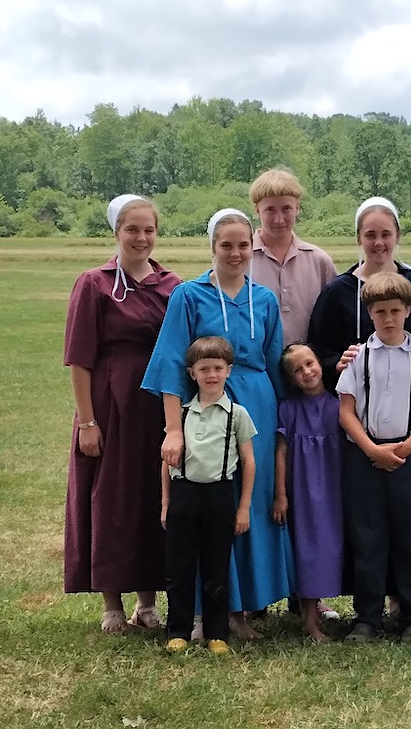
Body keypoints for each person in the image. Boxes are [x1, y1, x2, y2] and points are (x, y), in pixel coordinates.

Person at [142, 208, 293, 639]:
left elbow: (272, 361)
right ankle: (202, 612)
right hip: (206, 408)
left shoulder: (262, 299)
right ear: (212, 247)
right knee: (208, 503)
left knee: (247, 500)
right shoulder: (188, 296)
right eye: (226, 245)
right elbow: (171, 362)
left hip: (256, 407)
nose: (235, 253)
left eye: (243, 244)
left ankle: (241, 609)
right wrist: (174, 429)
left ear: (253, 247)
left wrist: (280, 422)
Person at [63, 194, 181, 634]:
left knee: (154, 495)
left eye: (149, 229)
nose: (141, 237)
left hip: (156, 407)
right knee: (110, 497)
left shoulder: (172, 285)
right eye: (132, 229)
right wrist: (87, 421)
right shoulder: (93, 283)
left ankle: (148, 602)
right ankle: (112, 603)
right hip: (110, 405)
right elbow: (79, 358)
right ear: (117, 232)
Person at [337, 272, 411, 643]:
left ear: (408, 311)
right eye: (379, 311)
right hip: (366, 456)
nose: (388, 318)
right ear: (369, 313)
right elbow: (346, 410)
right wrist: (370, 448)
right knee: (368, 537)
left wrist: (409, 446)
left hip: (408, 454)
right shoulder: (358, 357)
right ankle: (368, 618)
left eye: (395, 311)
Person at [161, 337, 256, 655]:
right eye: (204, 369)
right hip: (185, 495)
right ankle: (178, 630)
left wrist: (243, 507)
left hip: (220, 495)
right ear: (192, 373)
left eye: (218, 368)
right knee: (180, 568)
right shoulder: (182, 415)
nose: (211, 375)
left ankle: (217, 633)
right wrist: (166, 503)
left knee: (217, 568)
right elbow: (167, 462)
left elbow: (249, 462)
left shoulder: (237, 414)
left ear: (229, 371)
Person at [308, 196, 411, 393]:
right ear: (359, 238)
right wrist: (337, 362)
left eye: (386, 234)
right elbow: (318, 347)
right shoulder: (338, 291)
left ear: (397, 236)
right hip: (357, 396)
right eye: (370, 235)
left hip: (409, 393)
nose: (379, 242)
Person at [272, 343, 344, 642]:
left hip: (335, 488)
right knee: (306, 549)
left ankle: (317, 613)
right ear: (290, 378)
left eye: (310, 363)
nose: (307, 372)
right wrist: (280, 494)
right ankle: (309, 620)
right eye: (297, 370)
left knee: (330, 547)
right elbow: (281, 451)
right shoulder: (289, 409)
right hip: (301, 489)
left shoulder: (341, 404)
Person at [249, 167, 337, 345]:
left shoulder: (319, 261)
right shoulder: (242, 259)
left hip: (307, 367)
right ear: (257, 210)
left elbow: (334, 317)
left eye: (286, 208)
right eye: (270, 210)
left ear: (297, 208)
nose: (279, 219)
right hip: (258, 366)